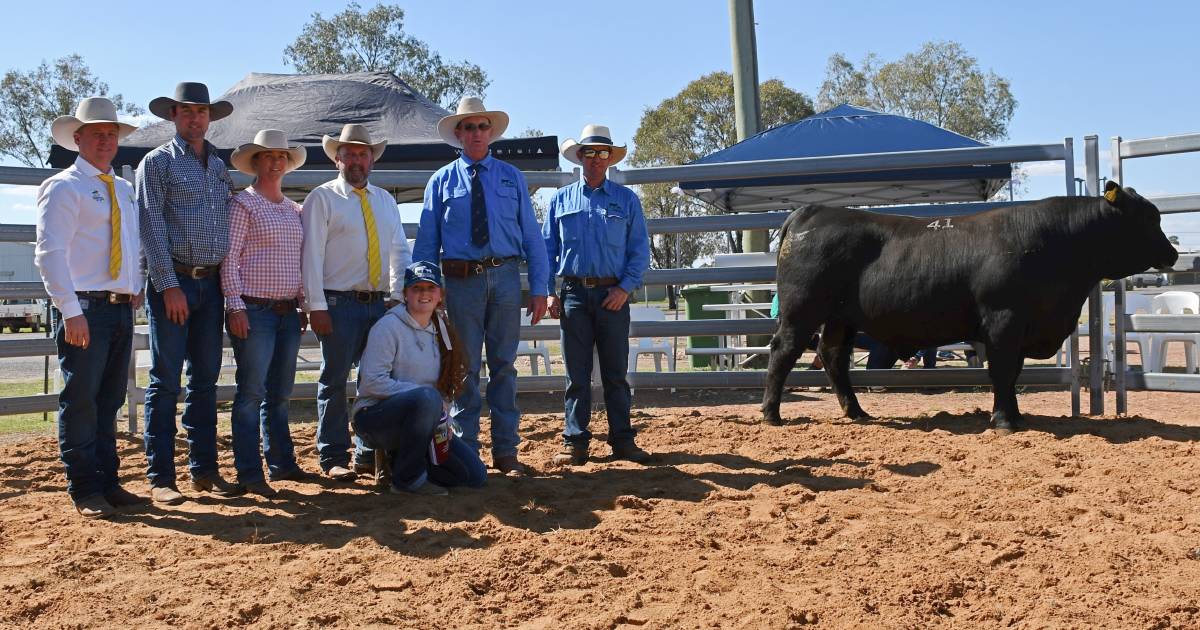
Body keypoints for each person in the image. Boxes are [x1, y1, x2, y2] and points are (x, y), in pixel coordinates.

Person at [414, 97, 549, 476]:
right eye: (468, 127)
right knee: (464, 368)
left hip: (506, 276)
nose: (475, 133)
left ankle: (507, 452)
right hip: (460, 282)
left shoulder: (512, 177)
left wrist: (539, 287)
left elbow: (532, 236)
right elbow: (426, 243)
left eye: (481, 126)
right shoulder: (440, 182)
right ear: (458, 134)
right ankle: (468, 451)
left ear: (491, 132)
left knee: (505, 365)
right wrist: (426, 291)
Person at [35, 97, 145, 517]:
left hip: (117, 308)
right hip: (85, 306)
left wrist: (135, 284)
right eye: (97, 133)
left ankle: (108, 481)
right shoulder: (63, 187)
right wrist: (70, 310)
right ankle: (84, 486)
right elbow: (50, 253)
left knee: (109, 398)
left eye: (111, 133)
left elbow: (131, 244)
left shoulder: (123, 189)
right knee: (81, 398)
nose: (105, 140)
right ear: (77, 138)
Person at [137, 82, 239, 504]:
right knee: (165, 380)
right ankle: (161, 476)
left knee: (205, 379)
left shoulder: (218, 166)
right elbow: (150, 226)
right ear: (174, 116)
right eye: (186, 111)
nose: (194, 118)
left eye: (201, 111)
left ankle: (204, 470)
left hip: (211, 284)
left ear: (209, 116)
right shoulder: (157, 163)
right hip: (176, 282)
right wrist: (168, 285)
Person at [302, 124, 411, 481]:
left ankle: (368, 452)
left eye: (362, 154)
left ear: (371, 160)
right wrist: (315, 304)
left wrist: (399, 297)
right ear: (337, 158)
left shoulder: (385, 200)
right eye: (349, 153)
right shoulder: (322, 198)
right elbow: (312, 255)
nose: (356, 160)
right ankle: (333, 454)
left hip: (379, 303)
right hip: (337, 302)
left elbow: (398, 251)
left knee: (377, 379)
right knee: (334, 379)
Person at [543, 125, 650, 465]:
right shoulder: (559, 201)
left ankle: (622, 440)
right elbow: (546, 250)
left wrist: (625, 288)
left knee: (615, 372)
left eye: (603, 153)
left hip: (612, 294)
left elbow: (639, 251)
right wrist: (549, 292)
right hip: (573, 293)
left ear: (610, 158)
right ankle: (575, 441)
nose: (596, 159)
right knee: (576, 374)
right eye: (590, 152)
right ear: (580, 157)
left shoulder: (627, 200)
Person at [222, 130, 309, 496]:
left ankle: (281, 462)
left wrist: (303, 301)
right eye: (268, 156)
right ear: (255, 163)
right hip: (255, 309)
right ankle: (248, 471)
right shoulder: (243, 205)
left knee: (280, 392)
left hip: (288, 312)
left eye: (281, 156)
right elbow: (230, 258)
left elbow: (300, 261)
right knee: (252, 392)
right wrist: (234, 304)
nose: (275, 162)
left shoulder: (295, 210)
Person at [352, 261, 487, 495]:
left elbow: (445, 384)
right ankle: (406, 481)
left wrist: (442, 417)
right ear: (405, 294)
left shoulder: (442, 330)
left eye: (430, 288)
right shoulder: (388, 327)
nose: (424, 294)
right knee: (427, 397)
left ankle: (398, 462)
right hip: (375, 417)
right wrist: (429, 400)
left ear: (440, 295)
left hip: (426, 419)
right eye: (416, 288)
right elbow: (371, 383)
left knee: (473, 476)